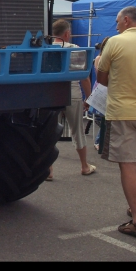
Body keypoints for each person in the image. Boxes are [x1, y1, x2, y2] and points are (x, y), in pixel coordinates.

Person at [97, 6, 136, 238]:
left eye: (117, 21)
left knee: (128, 165)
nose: (116, 25)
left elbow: (102, 79)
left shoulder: (114, 41)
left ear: (126, 20)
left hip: (122, 110)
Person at [47, 19, 96, 180]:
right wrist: (89, 97)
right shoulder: (74, 49)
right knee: (78, 131)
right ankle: (84, 165)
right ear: (67, 34)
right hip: (72, 93)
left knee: (48, 132)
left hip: (50, 94)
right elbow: (84, 77)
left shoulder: (46, 49)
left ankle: (49, 170)